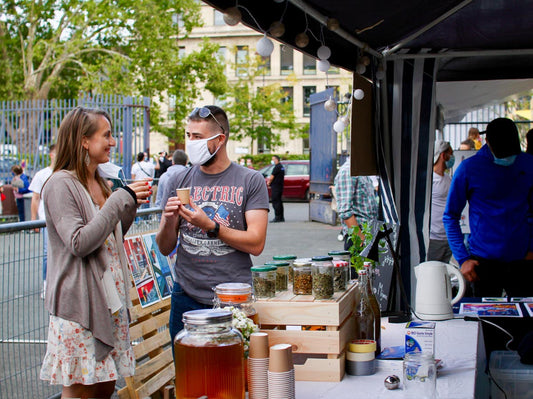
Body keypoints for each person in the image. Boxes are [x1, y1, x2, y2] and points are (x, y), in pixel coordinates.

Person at [39, 107, 152, 398]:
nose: (113, 142)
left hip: (109, 302)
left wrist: (129, 206)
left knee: (103, 386)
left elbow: (107, 239)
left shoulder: (101, 180)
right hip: (80, 306)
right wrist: (118, 201)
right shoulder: (60, 184)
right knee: (80, 391)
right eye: (106, 135)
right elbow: (79, 242)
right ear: (84, 141)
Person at [155, 105, 269, 349]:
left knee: (232, 378)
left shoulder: (250, 180)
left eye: (198, 137)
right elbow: (165, 248)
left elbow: (257, 242)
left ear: (220, 140)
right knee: (188, 378)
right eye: (189, 136)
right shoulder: (178, 180)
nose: (190, 143)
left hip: (233, 297)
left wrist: (211, 226)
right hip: (186, 296)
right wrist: (169, 220)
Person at [443, 118, 533, 297]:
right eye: (501, 153)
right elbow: (450, 216)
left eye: (511, 153)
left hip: (523, 259)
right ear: (487, 143)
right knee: (486, 322)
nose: (507, 158)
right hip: (483, 262)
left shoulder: (528, 163)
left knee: (525, 321)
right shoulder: (469, 168)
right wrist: (463, 259)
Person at [334, 157, 379, 252]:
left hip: (370, 233)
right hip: (359, 235)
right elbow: (345, 211)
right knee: (359, 267)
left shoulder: (362, 172)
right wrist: (360, 237)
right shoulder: (348, 171)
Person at [29, 143, 56, 299]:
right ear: (51, 155)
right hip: (45, 220)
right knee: (47, 253)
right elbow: (35, 197)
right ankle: (46, 283)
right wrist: (34, 220)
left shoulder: (65, 173)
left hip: (60, 219)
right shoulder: (42, 174)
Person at [427, 141, 454, 263]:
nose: (452, 158)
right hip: (434, 238)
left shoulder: (448, 179)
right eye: (450, 154)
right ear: (443, 156)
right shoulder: (429, 179)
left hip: (448, 236)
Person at [267, 155, 285, 223]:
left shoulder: (277, 167)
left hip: (276, 187)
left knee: (276, 202)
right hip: (280, 187)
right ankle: (281, 217)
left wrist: (268, 183)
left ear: (276, 159)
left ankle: (277, 217)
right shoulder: (281, 167)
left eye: (273, 159)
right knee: (279, 202)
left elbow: (272, 177)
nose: (272, 161)